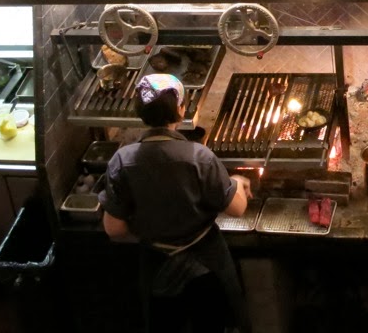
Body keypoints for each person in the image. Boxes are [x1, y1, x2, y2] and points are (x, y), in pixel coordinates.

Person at [98, 74, 253, 333]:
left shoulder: (122, 160)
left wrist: (155, 230)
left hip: (158, 269)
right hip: (207, 266)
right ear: (181, 110)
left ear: (139, 112)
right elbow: (237, 209)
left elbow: (114, 229)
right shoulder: (199, 157)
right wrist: (236, 182)